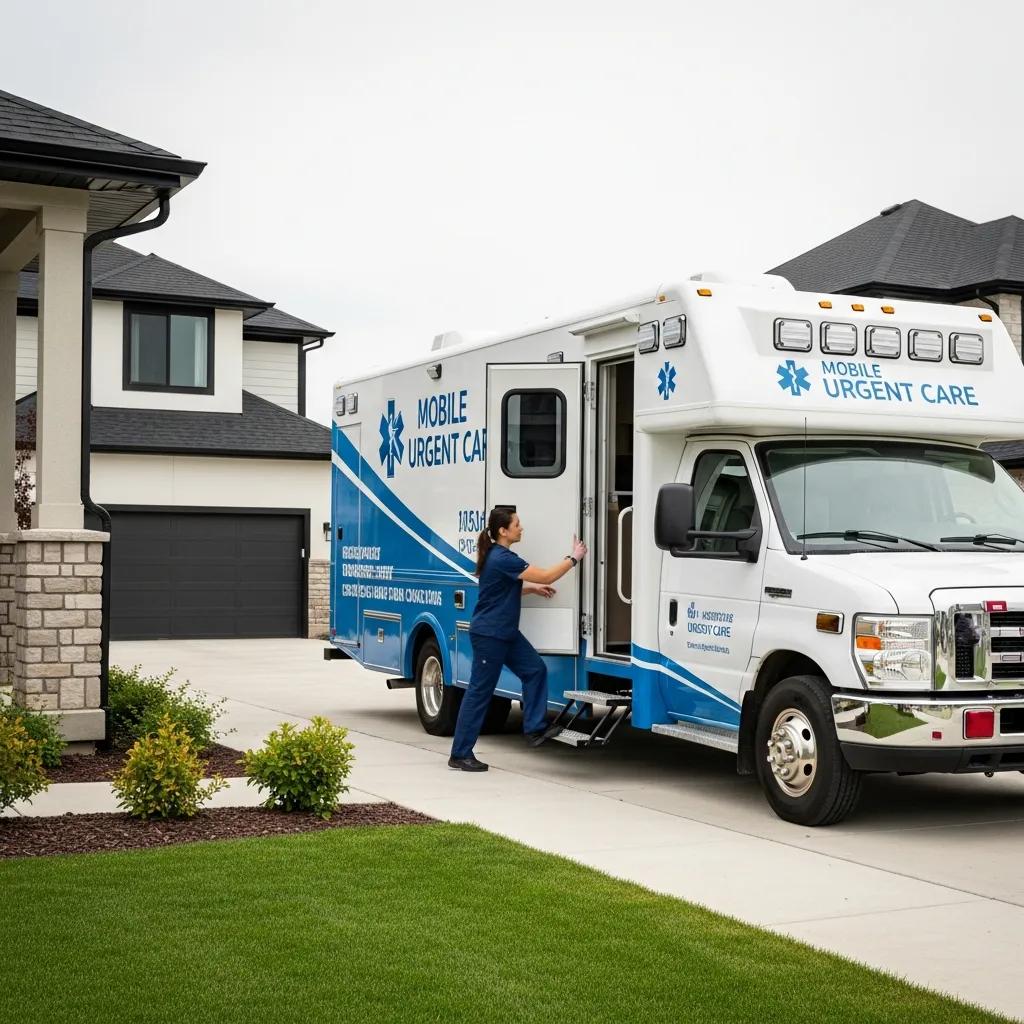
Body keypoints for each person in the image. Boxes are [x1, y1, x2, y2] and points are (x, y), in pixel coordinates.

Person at [448, 506, 587, 772]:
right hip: (490, 635)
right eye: (517, 524)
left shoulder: (500, 556)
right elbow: (546, 573)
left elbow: (500, 590)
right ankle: (460, 753)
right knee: (479, 692)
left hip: (505, 633)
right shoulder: (502, 558)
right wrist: (574, 558)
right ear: (503, 531)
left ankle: (535, 728)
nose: (521, 528)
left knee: (535, 670)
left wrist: (532, 588)